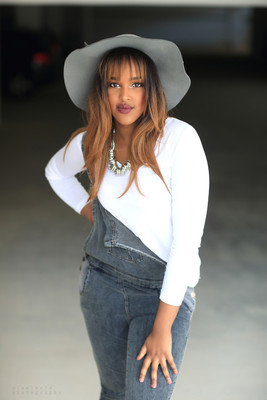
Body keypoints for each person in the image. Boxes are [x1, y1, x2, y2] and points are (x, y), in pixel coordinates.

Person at [45, 34, 209, 400]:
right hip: (101, 282)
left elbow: (186, 243)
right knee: (114, 392)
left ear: (152, 90)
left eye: (136, 84)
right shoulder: (93, 140)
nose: (125, 96)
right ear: (100, 91)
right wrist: (97, 216)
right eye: (114, 84)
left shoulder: (180, 139)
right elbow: (56, 172)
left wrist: (163, 327)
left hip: (162, 293)